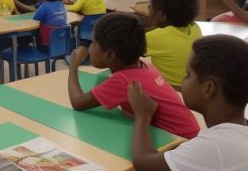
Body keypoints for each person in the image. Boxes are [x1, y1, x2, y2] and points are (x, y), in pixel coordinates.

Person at [115, 35, 248, 171]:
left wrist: (142, 114)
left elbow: (143, 160)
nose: (182, 81)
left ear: (208, 88)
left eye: (187, 75)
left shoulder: (215, 146)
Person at [67, 13, 200, 140]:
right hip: (191, 133)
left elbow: (78, 103)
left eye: (94, 43)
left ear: (110, 55)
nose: (90, 48)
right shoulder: (145, 67)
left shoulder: (122, 80)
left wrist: (74, 65)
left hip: (180, 141)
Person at [145, 0, 202, 87]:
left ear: (161, 15)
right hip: (190, 89)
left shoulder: (155, 38)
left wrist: (147, 23)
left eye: (150, 6)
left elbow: (122, 49)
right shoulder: (195, 28)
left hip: (168, 92)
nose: (148, 8)